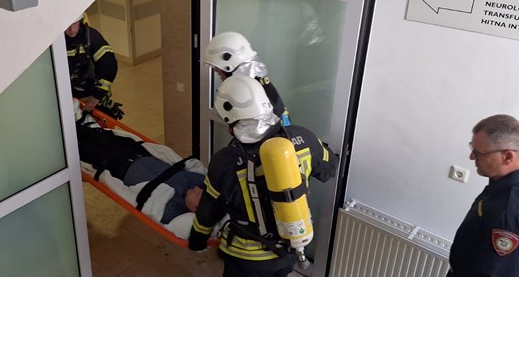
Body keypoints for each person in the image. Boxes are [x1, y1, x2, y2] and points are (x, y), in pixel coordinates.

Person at [188, 74, 338, 276]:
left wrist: (197, 241)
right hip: (289, 251)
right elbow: (330, 168)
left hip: (246, 259)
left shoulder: (225, 161)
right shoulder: (304, 138)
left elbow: (208, 212)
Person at [448, 114, 519, 277]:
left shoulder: (510, 218)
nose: (471, 157)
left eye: (478, 153)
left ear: (508, 157)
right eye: (472, 149)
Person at [76, 122, 203, 224]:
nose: (197, 188)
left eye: (198, 194)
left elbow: (184, 227)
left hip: (117, 167)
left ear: (194, 210)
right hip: (135, 151)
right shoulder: (195, 182)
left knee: (84, 149)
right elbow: (209, 177)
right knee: (94, 134)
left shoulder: (170, 211)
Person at [204, 31, 291, 126]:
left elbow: (253, 132)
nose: (216, 70)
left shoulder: (249, 97)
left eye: (217, 66)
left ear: (229, 62)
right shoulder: (257, 85)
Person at [65, 12, 124, 119]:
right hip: (69, 99)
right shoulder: (54, 42)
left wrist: (97, 95)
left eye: (74, 24)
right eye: (67, 25)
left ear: (80, 21)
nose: (71, 29)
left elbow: (108, 65)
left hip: (93, 97)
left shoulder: (92, 38)